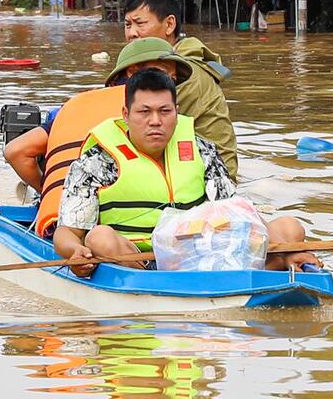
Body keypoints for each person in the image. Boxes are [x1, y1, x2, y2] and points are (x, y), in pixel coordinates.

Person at [52, 67, 318, 277]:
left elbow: (236, 213)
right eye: (144, 112)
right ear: (126, 113)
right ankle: (158, 285)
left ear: (176, 112)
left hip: (205, 253)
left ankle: (283, 261)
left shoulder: (202, 151)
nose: (155, 121)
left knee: (288, 226)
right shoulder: (97, 161)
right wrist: (76, 252)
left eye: (164, 111)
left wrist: (286, 247)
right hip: (141, 261)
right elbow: (66, 233)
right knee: (99, 238)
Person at [8, 38, 190, 240]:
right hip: (100, 234)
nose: (170, 84)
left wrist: (50, 190)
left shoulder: (76, 105)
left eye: (173, 79)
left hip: (55, 222)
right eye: (165, 74)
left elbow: (15, 151)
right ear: (133, 72)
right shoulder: (163, 119)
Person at [119, 0, 239, 181]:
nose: (132, 33)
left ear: (169, 25)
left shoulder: (181, 73)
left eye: (140, 23)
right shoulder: (157, 64)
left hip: (211, 178)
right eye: (127, 24)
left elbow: (130, 124)